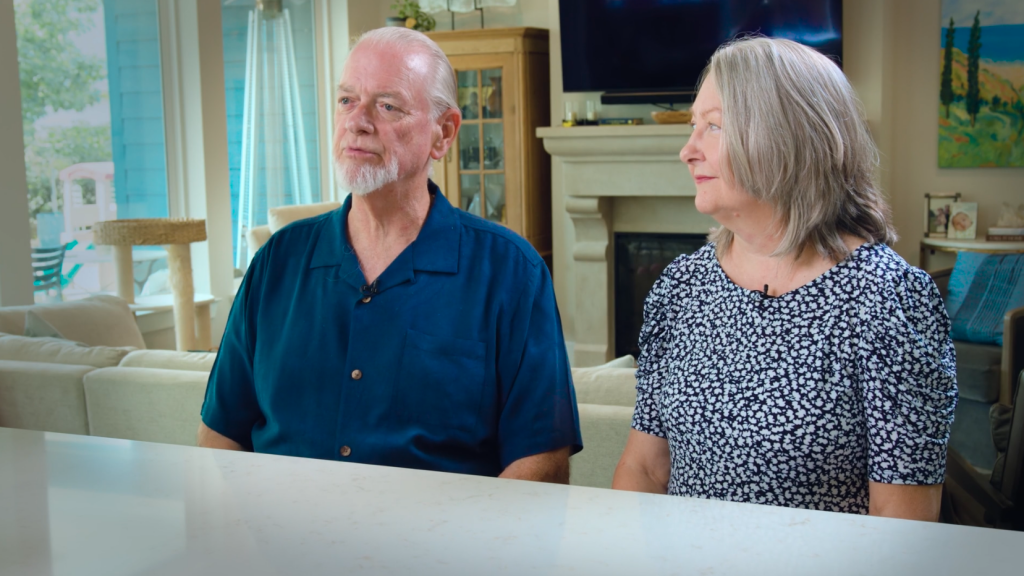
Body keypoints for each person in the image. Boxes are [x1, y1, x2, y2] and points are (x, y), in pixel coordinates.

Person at [198, 27, 581, 483]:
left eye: (387, 106)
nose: (356, 121)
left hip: (441, 547)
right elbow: (220, 436)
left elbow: (541, 460)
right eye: (346, 101)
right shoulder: (277, 261)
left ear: (444, 133)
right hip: (279, 542)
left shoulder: (512, 274)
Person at [612, 37, 958, 520]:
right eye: (694, 126)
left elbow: (903, 525)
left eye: (713, 127)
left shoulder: (888, 301)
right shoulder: (680, 288)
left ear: (785, 137)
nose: (687, 151)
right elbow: (646, 469)